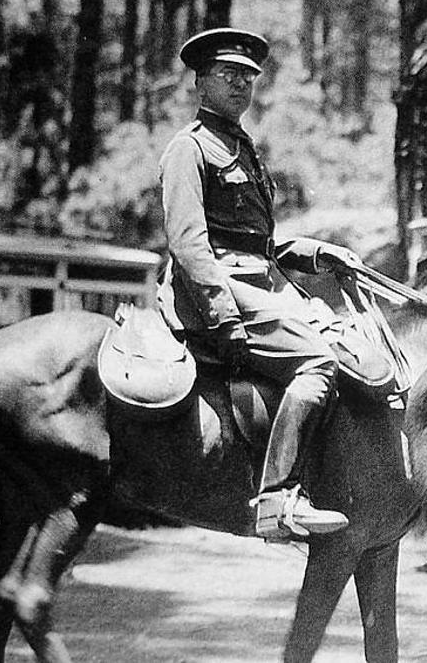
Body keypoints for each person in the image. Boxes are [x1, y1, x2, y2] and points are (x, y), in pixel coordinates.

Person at [157, 27, 360, 540]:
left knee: (345, 340)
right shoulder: (190, 149)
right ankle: (278, 498)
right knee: (318, 360)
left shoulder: (242, 148)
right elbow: (188, 242)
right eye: (228, 75)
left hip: (260, 281)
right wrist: (221, 312)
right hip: (215, 286)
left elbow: (258, 245)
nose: (240, 85)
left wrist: (316, 251)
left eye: (248, 77)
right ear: (200, 84)